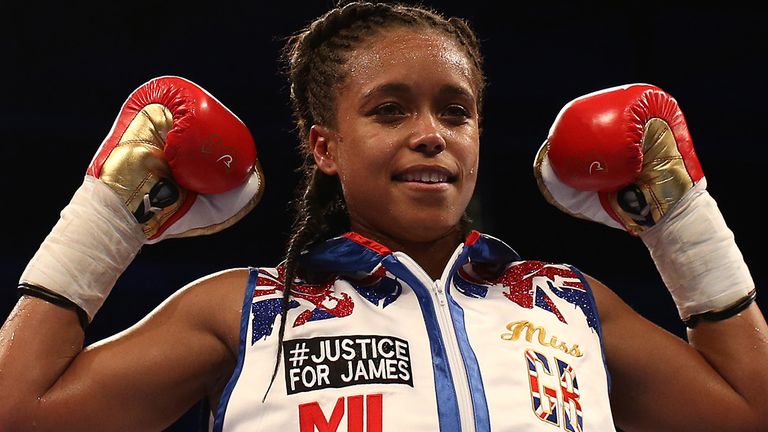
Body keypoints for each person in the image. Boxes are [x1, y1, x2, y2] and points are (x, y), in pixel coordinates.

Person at [1, 1, 766, 431]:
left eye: (455, 111)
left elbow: (748, 407)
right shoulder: (244, 310)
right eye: (390, 109)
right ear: (324, 146)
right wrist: (111, 207)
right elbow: (19, 410)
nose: (430, 132)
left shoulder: (568, 302)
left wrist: (677, 210)